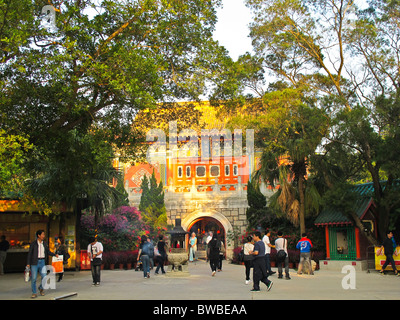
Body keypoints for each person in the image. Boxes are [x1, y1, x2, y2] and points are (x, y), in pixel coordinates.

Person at [26, 230, 58, 298]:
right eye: (42, 234)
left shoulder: (45, 244)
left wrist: (54, 254)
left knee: (44, 277)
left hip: (42, 261)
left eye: (44, 234)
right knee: (34, 278)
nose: (44, 236)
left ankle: (41, 288)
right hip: (34, 262)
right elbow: (30, 254)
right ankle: (34, 292)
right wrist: (28, 263)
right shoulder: (33, 244)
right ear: (39, 235)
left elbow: (48, 252)